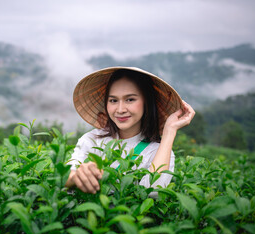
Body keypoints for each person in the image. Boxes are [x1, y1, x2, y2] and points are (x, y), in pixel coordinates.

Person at [65, 67, 195, 194]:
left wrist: (170, 132)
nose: (120, 109)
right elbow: (64, 177)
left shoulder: (158, 151)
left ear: (146, 102)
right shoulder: (93, 139)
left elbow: (154, 192)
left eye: (130, 99)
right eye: (113, 100)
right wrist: (76, 176)